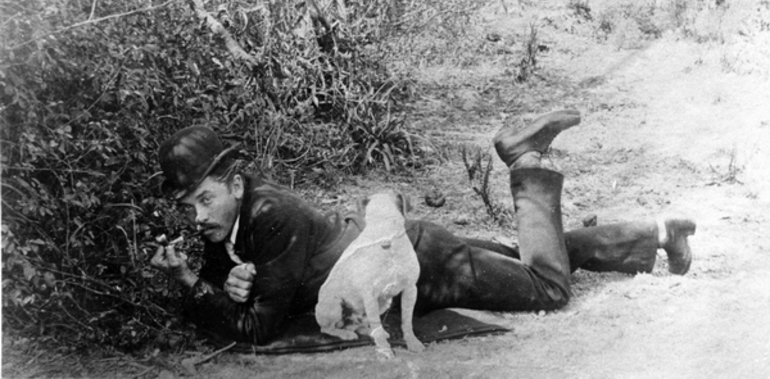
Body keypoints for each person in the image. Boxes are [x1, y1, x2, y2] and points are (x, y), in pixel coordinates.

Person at [150, 110, 696, 345]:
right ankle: (659, 232)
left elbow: (257, 330)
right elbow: (236, 282)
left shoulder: (269, 217)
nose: (198, 216)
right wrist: (225, 281)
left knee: (546, 288)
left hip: (423, 267)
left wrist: (191, 288)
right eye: (189, 204)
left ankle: (529, 166)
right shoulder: (237, 217)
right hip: (408, 247)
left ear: (236, 185)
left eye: (205, 199)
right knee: (518, 254)